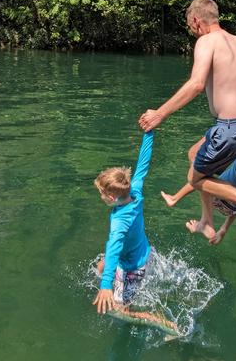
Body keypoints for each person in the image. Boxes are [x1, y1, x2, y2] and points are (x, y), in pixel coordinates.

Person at [138, 0, 236, 241]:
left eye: (190, 26)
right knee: (194, 155)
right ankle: (207, 221)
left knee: (194, 178)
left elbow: (197, 84)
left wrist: (159, 114)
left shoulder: (206, 41)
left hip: (231, 128)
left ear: (195, 21)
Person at [92, 130, 177, 332]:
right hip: (142, 250)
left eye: (101, 193)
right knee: (101, 266)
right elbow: (143, 165)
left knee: (119, 310)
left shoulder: (119, 223)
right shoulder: (134, 191)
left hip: (132, 267)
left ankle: (165, 324)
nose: (100, 195)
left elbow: (113, 249)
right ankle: (110, 280)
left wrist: (105, 286)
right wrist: (149, 132)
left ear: (111, 198)